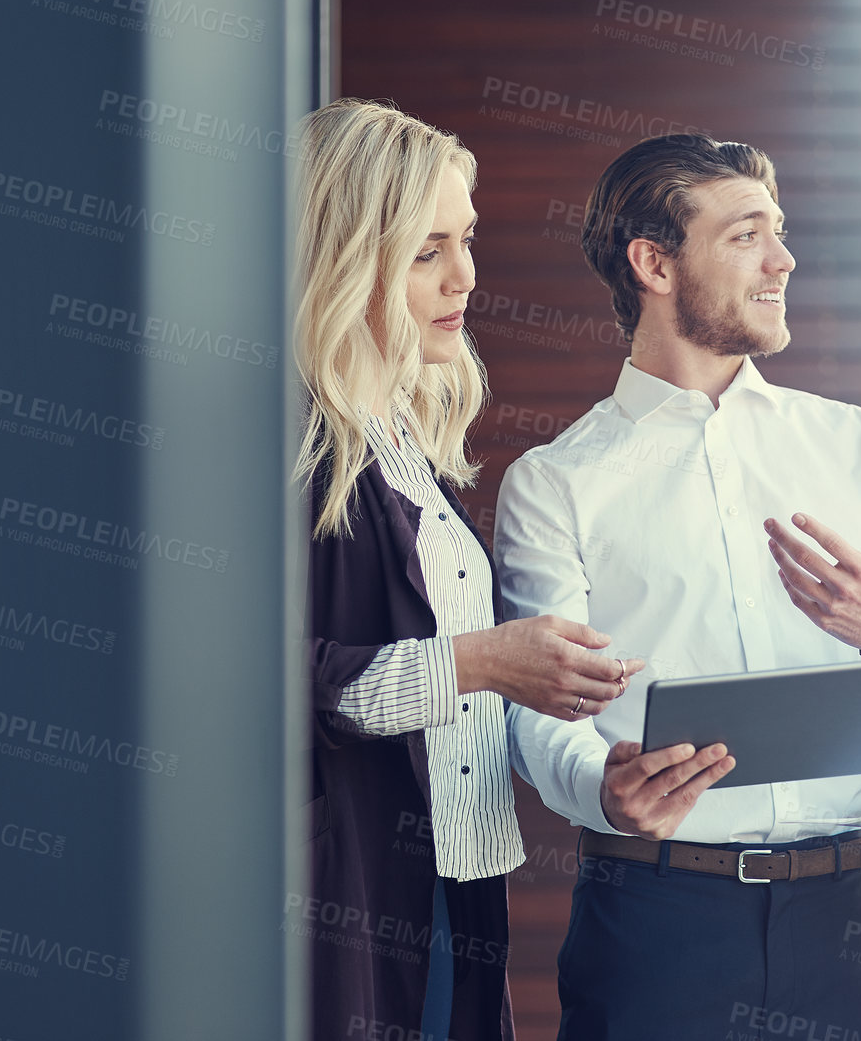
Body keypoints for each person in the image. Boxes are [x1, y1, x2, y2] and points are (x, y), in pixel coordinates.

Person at [496, 132, 861, 1039]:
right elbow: (536, 708)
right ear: (653, 261)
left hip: (844, 915)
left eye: (781, 231)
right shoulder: (555, 480)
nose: (783, 258)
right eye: (745, 235)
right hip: (653, 922)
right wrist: (599, 786)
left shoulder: (857, 447)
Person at [293, 99, 637, 1041]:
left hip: (460, 877)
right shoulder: (288, 442)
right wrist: (479, 662)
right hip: (353, 902)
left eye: (467, 241)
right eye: (425, 251)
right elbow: (268, 681)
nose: (466, 278)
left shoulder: (410, 443)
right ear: (341, 256)